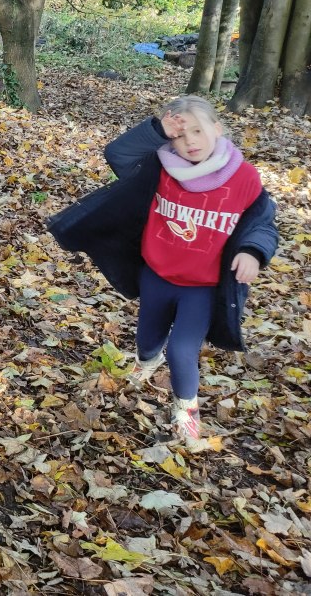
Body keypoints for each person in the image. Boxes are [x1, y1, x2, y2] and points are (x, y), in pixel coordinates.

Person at [49, 95, 279, 447]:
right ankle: (145, 362)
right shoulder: (160, 167)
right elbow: (118, 155)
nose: (190, 141)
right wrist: (158, 131)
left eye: (198, 131)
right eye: (180, 135)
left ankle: (186, 409)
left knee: (182, 350)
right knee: (148, 340)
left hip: (202, 285)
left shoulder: (242, 176)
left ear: (217, 129)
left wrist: (252, 251)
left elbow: (262, 222)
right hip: (157, 274)